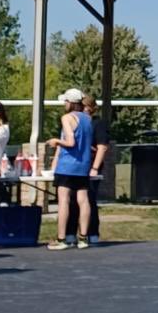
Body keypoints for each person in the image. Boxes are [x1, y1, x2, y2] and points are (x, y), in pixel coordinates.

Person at [46, 88, 93, 250]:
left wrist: (56, 141)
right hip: (83, 164)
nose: (64, 104)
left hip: (67, 165)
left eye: (65, 101)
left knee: (63, 200)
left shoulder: (67, 118)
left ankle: (61, 238)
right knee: (83, 199)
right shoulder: (87, 119)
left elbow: (71, 142)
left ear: (71, 103)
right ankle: (83, 237)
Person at [65, 94, 109, 244]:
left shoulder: (97, 124)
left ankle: (92, 233)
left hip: (90, 166)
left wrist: (95, 167)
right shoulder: (73, 121)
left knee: (88, 199)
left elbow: (102, 147)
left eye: (82, 106)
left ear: (89, 108)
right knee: (71, 199)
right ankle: (70, 232)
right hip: (75, 165)